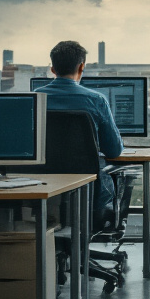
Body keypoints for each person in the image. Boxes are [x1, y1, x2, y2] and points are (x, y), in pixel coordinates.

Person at [34, 41, 125, 213]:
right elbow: (114, 151)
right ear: (81, 67)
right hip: (87, 189)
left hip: (41, 187)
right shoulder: (96, 100)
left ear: (52, 69)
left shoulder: (33, 100)